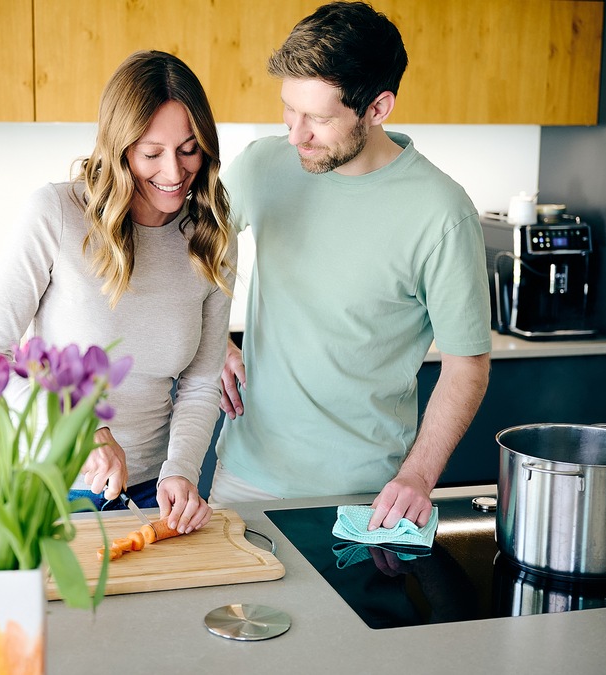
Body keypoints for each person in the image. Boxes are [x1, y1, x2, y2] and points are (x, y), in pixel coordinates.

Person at [212, 2, 491, 531]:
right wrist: (213, 337)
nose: (296, 134)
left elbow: (466, 365)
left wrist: (418, 477)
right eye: (289, 110)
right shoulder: (263, 165)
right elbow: (191, 251)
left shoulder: (442, 213)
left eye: (318, 117)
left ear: (378, 108)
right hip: (244, 477)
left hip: (368, 498)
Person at [0, 50, 235, 534]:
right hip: (51, 488)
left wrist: (180, 471)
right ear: (118, 148)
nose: (174, 173)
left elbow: (200, 381)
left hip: (154, 492)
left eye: (189, 149)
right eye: (151, 153)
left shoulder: (211, 236)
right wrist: (81, 431)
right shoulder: (57, 213)